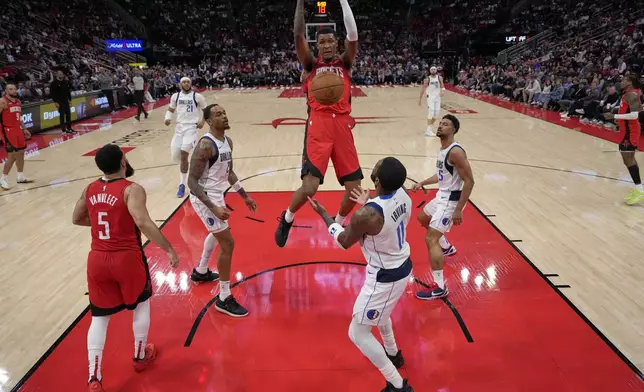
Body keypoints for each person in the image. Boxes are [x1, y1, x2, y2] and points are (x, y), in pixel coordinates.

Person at [71, 144, 179, 392]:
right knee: (141, 304)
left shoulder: (89, 189)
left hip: (97, 258)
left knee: (99, 317)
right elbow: (142, 222)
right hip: (126, 258)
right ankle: (140, 356)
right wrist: (169, 249)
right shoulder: (132, 189)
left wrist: (105, 225)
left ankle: (94, 378)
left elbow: (76, 218)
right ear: (122, 162)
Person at [308, 157, 414, 392]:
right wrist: (369, 203)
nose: (373, 166)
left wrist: (325, 216)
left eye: (376, 167)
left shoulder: (366, 215)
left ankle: (396, 384)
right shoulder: (403, 193)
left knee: (357, 332)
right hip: (402, 264)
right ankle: (393, 353)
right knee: (381, 314)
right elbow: (384, 210)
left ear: (376, 179)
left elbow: (344, 241)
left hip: (385, 276)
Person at [275, 0, 362, 247]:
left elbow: (353, 35)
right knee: (310, 188)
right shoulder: (311, 65)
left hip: (342, 127)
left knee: (355, 189)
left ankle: (339, 221)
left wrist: (344, 1)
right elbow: (298, 35)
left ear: (337, 43)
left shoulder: (345, 63)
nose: (325, 45)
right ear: (317, 45)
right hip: (318, 126)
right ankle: (288, 218)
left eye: (330, 41)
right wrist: (301, 2)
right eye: (321, 42)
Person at [188, 104, 257, 317]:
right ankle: (224, 297)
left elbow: (229, 172)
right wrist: (214, 208)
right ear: (209, 121)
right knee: (227, 242)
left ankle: (200, 272)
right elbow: (192, 182)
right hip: (203, 197)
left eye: (224, 112)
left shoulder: (227, 142)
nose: (224, 116)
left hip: (217, 194)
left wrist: (244, 195)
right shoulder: (205, 146)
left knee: (218, 233)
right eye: (218, 114)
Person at [412, 114, 474, 300]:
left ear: (453, 130)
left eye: (445, 124)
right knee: (422, 218)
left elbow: (469, 181)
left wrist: (458, 210)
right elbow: (441, 176)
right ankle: (446, 247)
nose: (440, 126)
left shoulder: (456, 152)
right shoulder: (443, 149)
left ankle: (440, 287)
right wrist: (422, 182)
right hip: (442, 196)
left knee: (431, 239)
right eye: (440, 123)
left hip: (450, 201)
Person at [165, 77, 207, 198]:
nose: (186, 83)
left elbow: (206, 110)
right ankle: (193, 175)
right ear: (180, 84)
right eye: (184, 82)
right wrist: (167, 118)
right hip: (179, 128)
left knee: (184, 154)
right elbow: (170, 109)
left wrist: (202, 122)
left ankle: (182, 184)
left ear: (191, 83)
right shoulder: (175, 96)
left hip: (191, 128)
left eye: (188, 81)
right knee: (176, 155)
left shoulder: (197, 96)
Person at [604, 73, 643, 205]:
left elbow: (634, 116)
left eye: (624, 80)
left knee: (628, 160)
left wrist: (614, 117)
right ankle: (639, 188)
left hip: (630, 132)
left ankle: (639, 189)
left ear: (630, 82)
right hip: (626, 131)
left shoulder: (632, 94)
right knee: (629, 160)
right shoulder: (629, 94)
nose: (621, 82)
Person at [0, 83, 32, 190]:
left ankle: (20, 176)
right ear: (6, 91)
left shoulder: (18, 101)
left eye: (14, 89)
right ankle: (3, 179)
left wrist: (24, 128)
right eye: (10, 89)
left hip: (18, 130)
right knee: (12, 156)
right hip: (7, 131)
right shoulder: (2, 101)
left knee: (21, 153)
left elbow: (20, 117)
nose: (13, 91)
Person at [419, 66, 445, 137]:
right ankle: (429, 130)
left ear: (436, 70)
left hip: (438, 97)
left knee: (436, 114)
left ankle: (428, 129)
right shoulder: (427, 79)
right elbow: (423, 88)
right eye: (432, 69)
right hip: (430, 98)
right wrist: (420, 99)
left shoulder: (440, 78)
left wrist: (443, 90)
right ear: (430, 71)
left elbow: (442, 86)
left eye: (434, 69)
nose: (433, 70)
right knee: (431, 112)